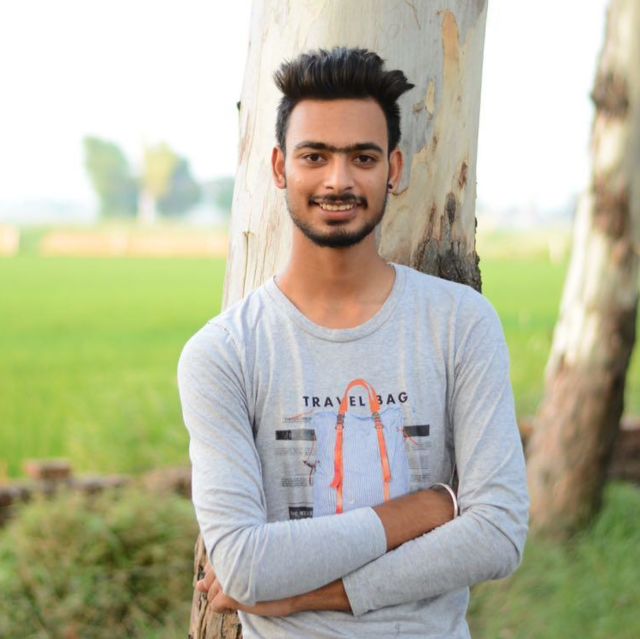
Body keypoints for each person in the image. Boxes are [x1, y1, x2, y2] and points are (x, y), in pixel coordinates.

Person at [178, 47, 529, 639]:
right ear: (279, 167)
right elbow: (243, 565)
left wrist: (311, 595)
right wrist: (420, 510)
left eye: (362, 157)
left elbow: (497, 533)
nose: (338, 180)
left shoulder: (459, 323)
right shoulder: (225, 354)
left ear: (394, 169)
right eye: (314, 156)